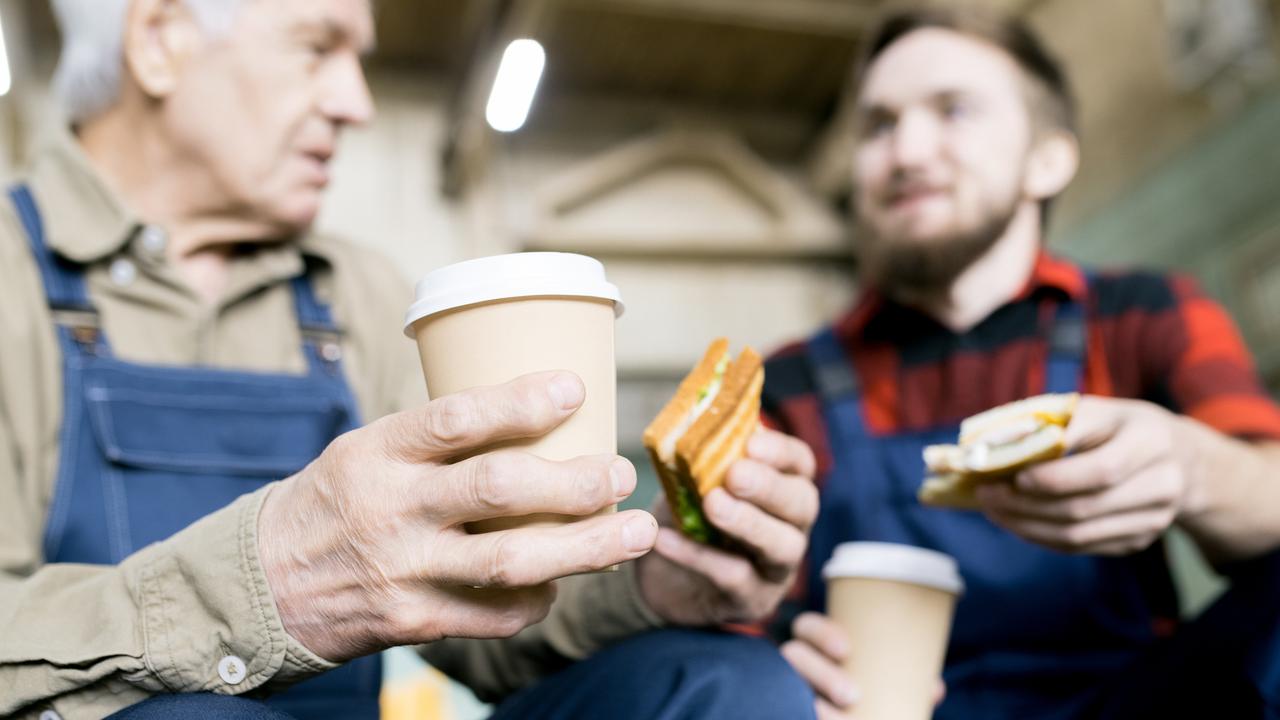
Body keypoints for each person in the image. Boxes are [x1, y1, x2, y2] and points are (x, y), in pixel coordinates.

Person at [0, 0, 820, 718]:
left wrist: (657, 586)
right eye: (317, 46)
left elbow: (480, 619)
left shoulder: (357, 293)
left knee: (731, 685)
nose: (355, 101)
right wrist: (255, 589)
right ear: (159, 38)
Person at [763, 6, 1280, 719]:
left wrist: (1193, 468)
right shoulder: (788, 387)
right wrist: (776, 658)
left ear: (1048, 160)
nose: (907, 151)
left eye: (955, 110)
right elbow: (736, 603)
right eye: (879, 124)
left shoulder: (1140, 313)